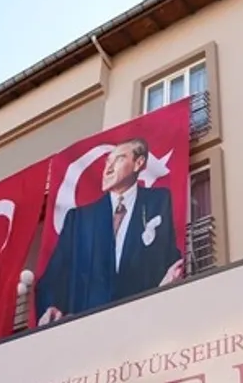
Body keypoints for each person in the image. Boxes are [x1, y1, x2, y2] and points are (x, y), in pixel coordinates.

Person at [35, 137, 184, 324]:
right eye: (107, 162)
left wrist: (170, 280)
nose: (108, 169)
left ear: (139, 163)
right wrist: (50, 308)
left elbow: (168, 257)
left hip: (142, 322)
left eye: (119, 159)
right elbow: (53, 277)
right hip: (89, 327)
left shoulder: (158, 201)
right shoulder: (79, 220)